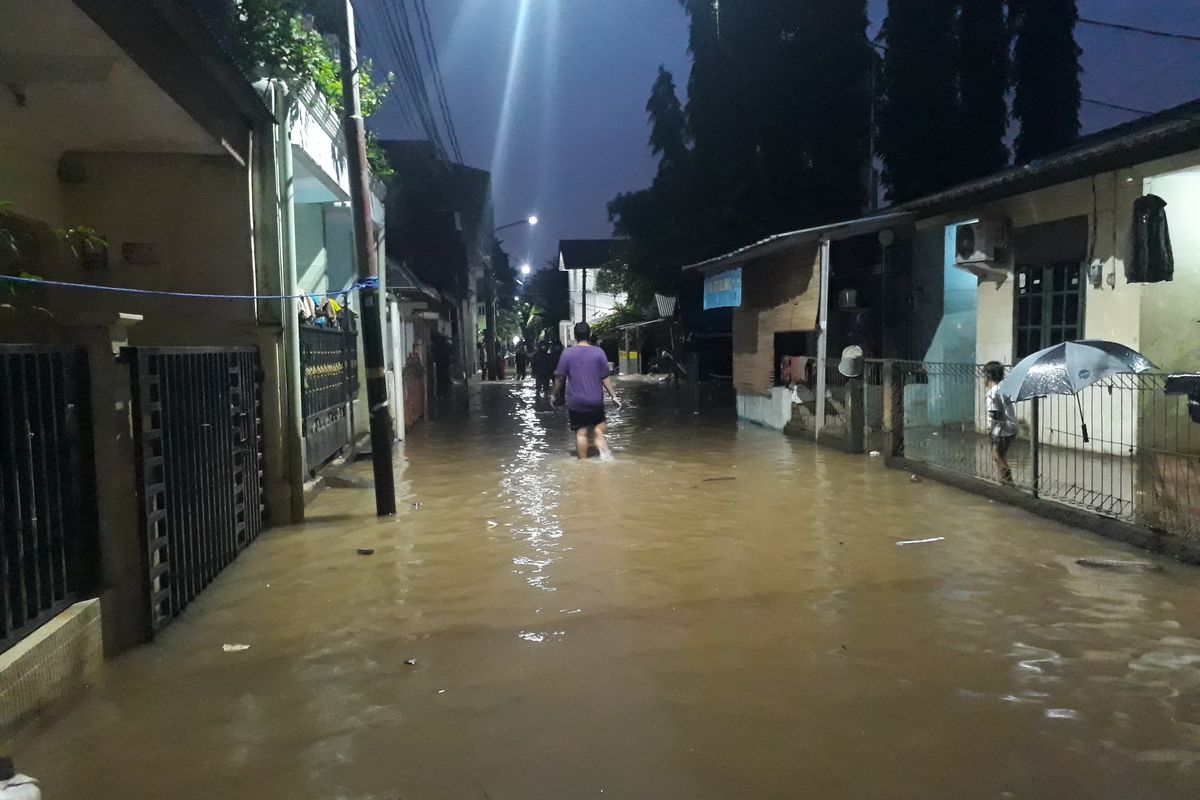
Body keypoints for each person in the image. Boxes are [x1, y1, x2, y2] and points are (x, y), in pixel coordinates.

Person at [552, 322, 622, 460]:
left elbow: (560, 378)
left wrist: (554, 395)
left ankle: (583, 464)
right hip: (595, 400)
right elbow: (605, 377)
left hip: (576, 402)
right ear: (589, 335)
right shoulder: (598, 352)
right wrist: (613, 396)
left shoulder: (567, 353)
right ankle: (605, 455)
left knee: (581, 433)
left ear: (574, 335)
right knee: (599, 427)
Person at [985, 361, 1018, 485]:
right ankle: (1005, 483)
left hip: (1002, 430)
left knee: (998, 456)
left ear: (988, 375)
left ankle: (1008, 483)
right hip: (1011, 428)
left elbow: (995, 414)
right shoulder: (1003, 388)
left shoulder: (993, 392)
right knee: (1000, 456)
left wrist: (990, 431)